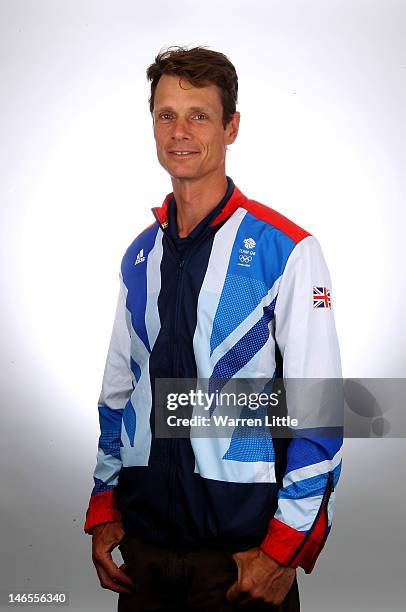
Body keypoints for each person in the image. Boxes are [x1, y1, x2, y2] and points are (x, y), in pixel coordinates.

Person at [84, 46, 343, 611]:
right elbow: (118, 395)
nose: (180, 131)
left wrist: (283, 551)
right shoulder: (139, 257)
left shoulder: (288, 251)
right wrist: (104, 509)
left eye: (199, 114)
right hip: (146, 554)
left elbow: (322, 412)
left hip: (239, 561)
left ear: (231, 127)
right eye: (165, 114)